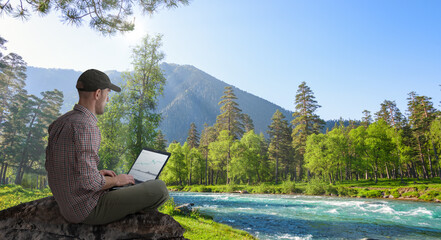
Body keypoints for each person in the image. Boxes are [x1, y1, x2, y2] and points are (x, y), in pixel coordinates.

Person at [45, 69, 169, 225]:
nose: (108, 99)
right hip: (86, 209)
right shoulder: (87, 126)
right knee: (160, 189)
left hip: (67, 205)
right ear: (97, 94)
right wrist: (117, 180)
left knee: (122, 184)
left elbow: (54, 167)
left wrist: (98, 174)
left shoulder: (60, 122)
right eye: (107, 93)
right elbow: (90, 183)